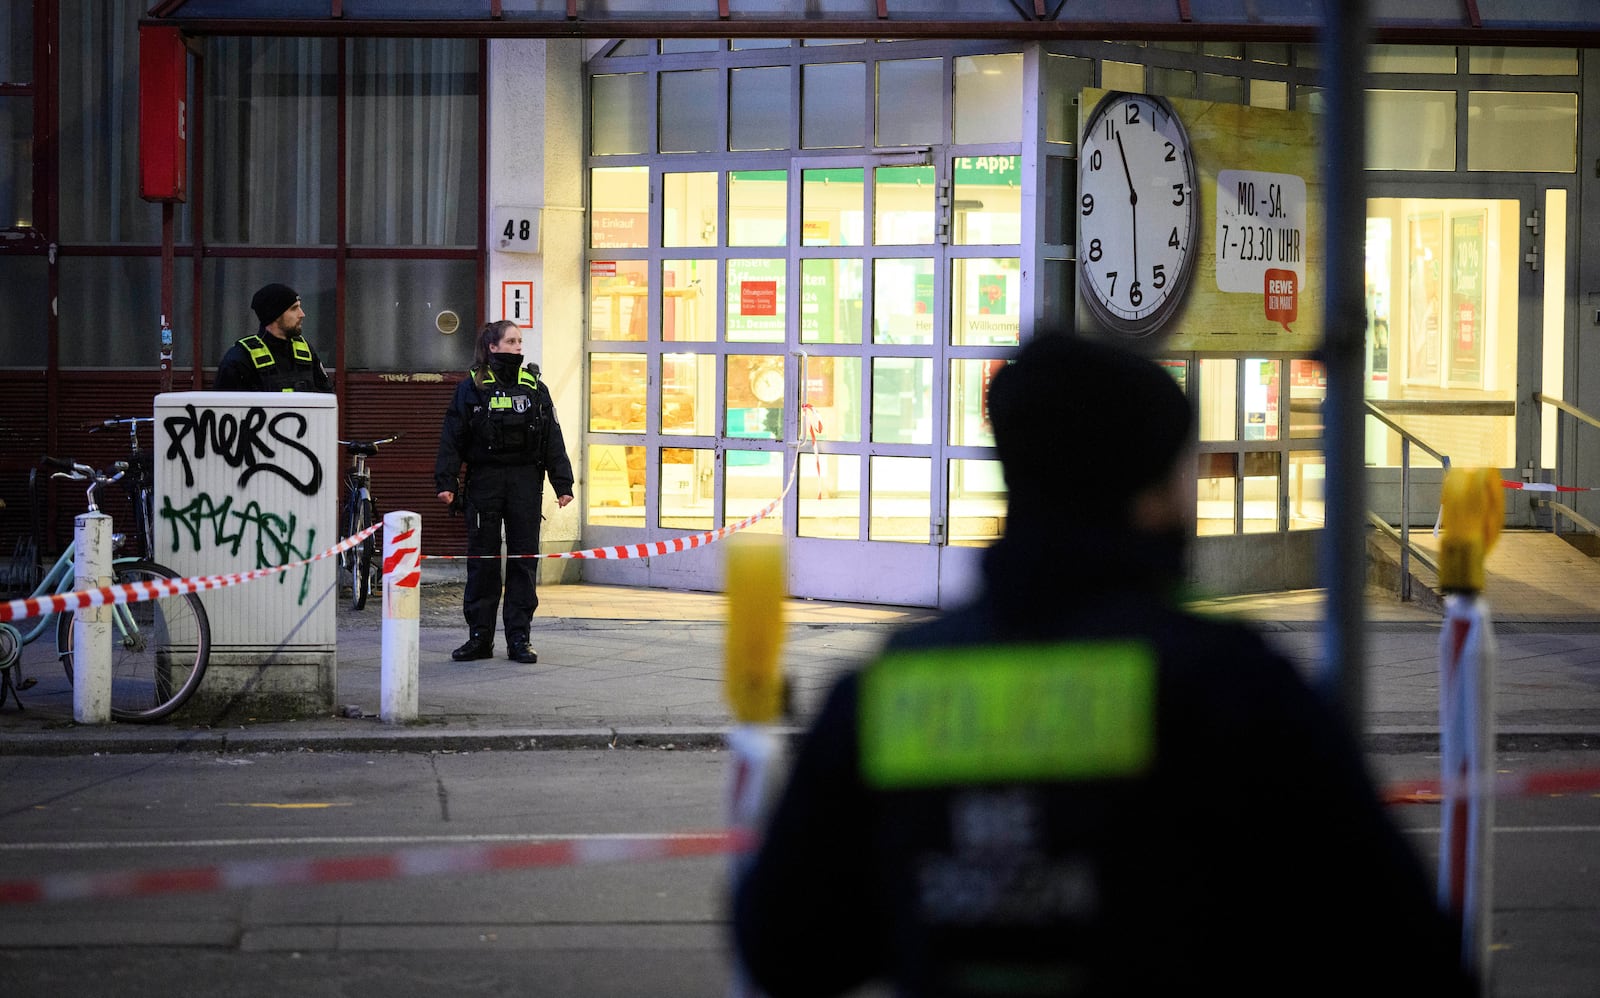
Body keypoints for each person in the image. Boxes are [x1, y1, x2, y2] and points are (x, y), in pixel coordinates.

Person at [732, 332, 1474, 997]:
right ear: (1153, 494)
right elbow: (1407, 953)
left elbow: (782, 947)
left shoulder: (889, 688)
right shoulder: (1232, 689)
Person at [434, 320, 574, 665]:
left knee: (524, 560)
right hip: (485, 480)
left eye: (520, 340)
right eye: (511, 341)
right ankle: (479, 638)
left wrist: (563, 483)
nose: (518, 346)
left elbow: (551, 436)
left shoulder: (534, 386)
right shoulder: (472, 387)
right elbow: (453, 436)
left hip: (526, 481)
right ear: (492, 347)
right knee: (483, 561)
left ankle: (519, 638)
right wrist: (446, 482)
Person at [214, 283, 333, 392]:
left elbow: (327, 397)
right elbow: (225, 408)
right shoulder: (240, 358)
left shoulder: (305, 351)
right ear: (274, 315)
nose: (302, 314)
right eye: (294, 308)